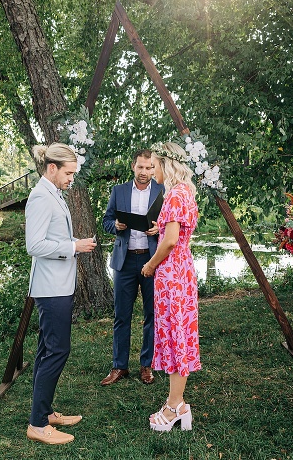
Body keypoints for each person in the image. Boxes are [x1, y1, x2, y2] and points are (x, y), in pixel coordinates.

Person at [25, 143, 97, 445]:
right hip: (50, 288)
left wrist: (72, 241)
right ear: (51, 168)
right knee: (57, 351)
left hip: (58, 286)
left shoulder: (54, 193)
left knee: (46, 351)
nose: (71, 179)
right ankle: (38, 425)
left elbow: (51, 237)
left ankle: (45, 412)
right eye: (68, 173)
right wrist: (73, 247)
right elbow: (35, 245)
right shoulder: (41, 196)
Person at [140, 141, 199, 432]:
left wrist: (150, 265)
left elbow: (171, 239)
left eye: (154, 165)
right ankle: (178, 404)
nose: (151, 171)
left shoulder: (175, 195)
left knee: (177, 336)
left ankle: (175, 406)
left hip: (173, 274)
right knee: (179, 334)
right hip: (179, 272)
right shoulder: (184, 191)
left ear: (167, 164)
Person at [101, 149, 164, 386]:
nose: (145, 172)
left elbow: (171, 225)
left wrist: (159, 229)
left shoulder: (162, 190)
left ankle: (146, 365)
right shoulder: (119, 191)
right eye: (141, 167)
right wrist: (116, 225)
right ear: (133, 166)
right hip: (124, 261)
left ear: (154, 169)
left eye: (149, 168)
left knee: (151, 314)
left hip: (152, 259)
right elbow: (106, 221)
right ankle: (119, 367)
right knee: (121, 316)